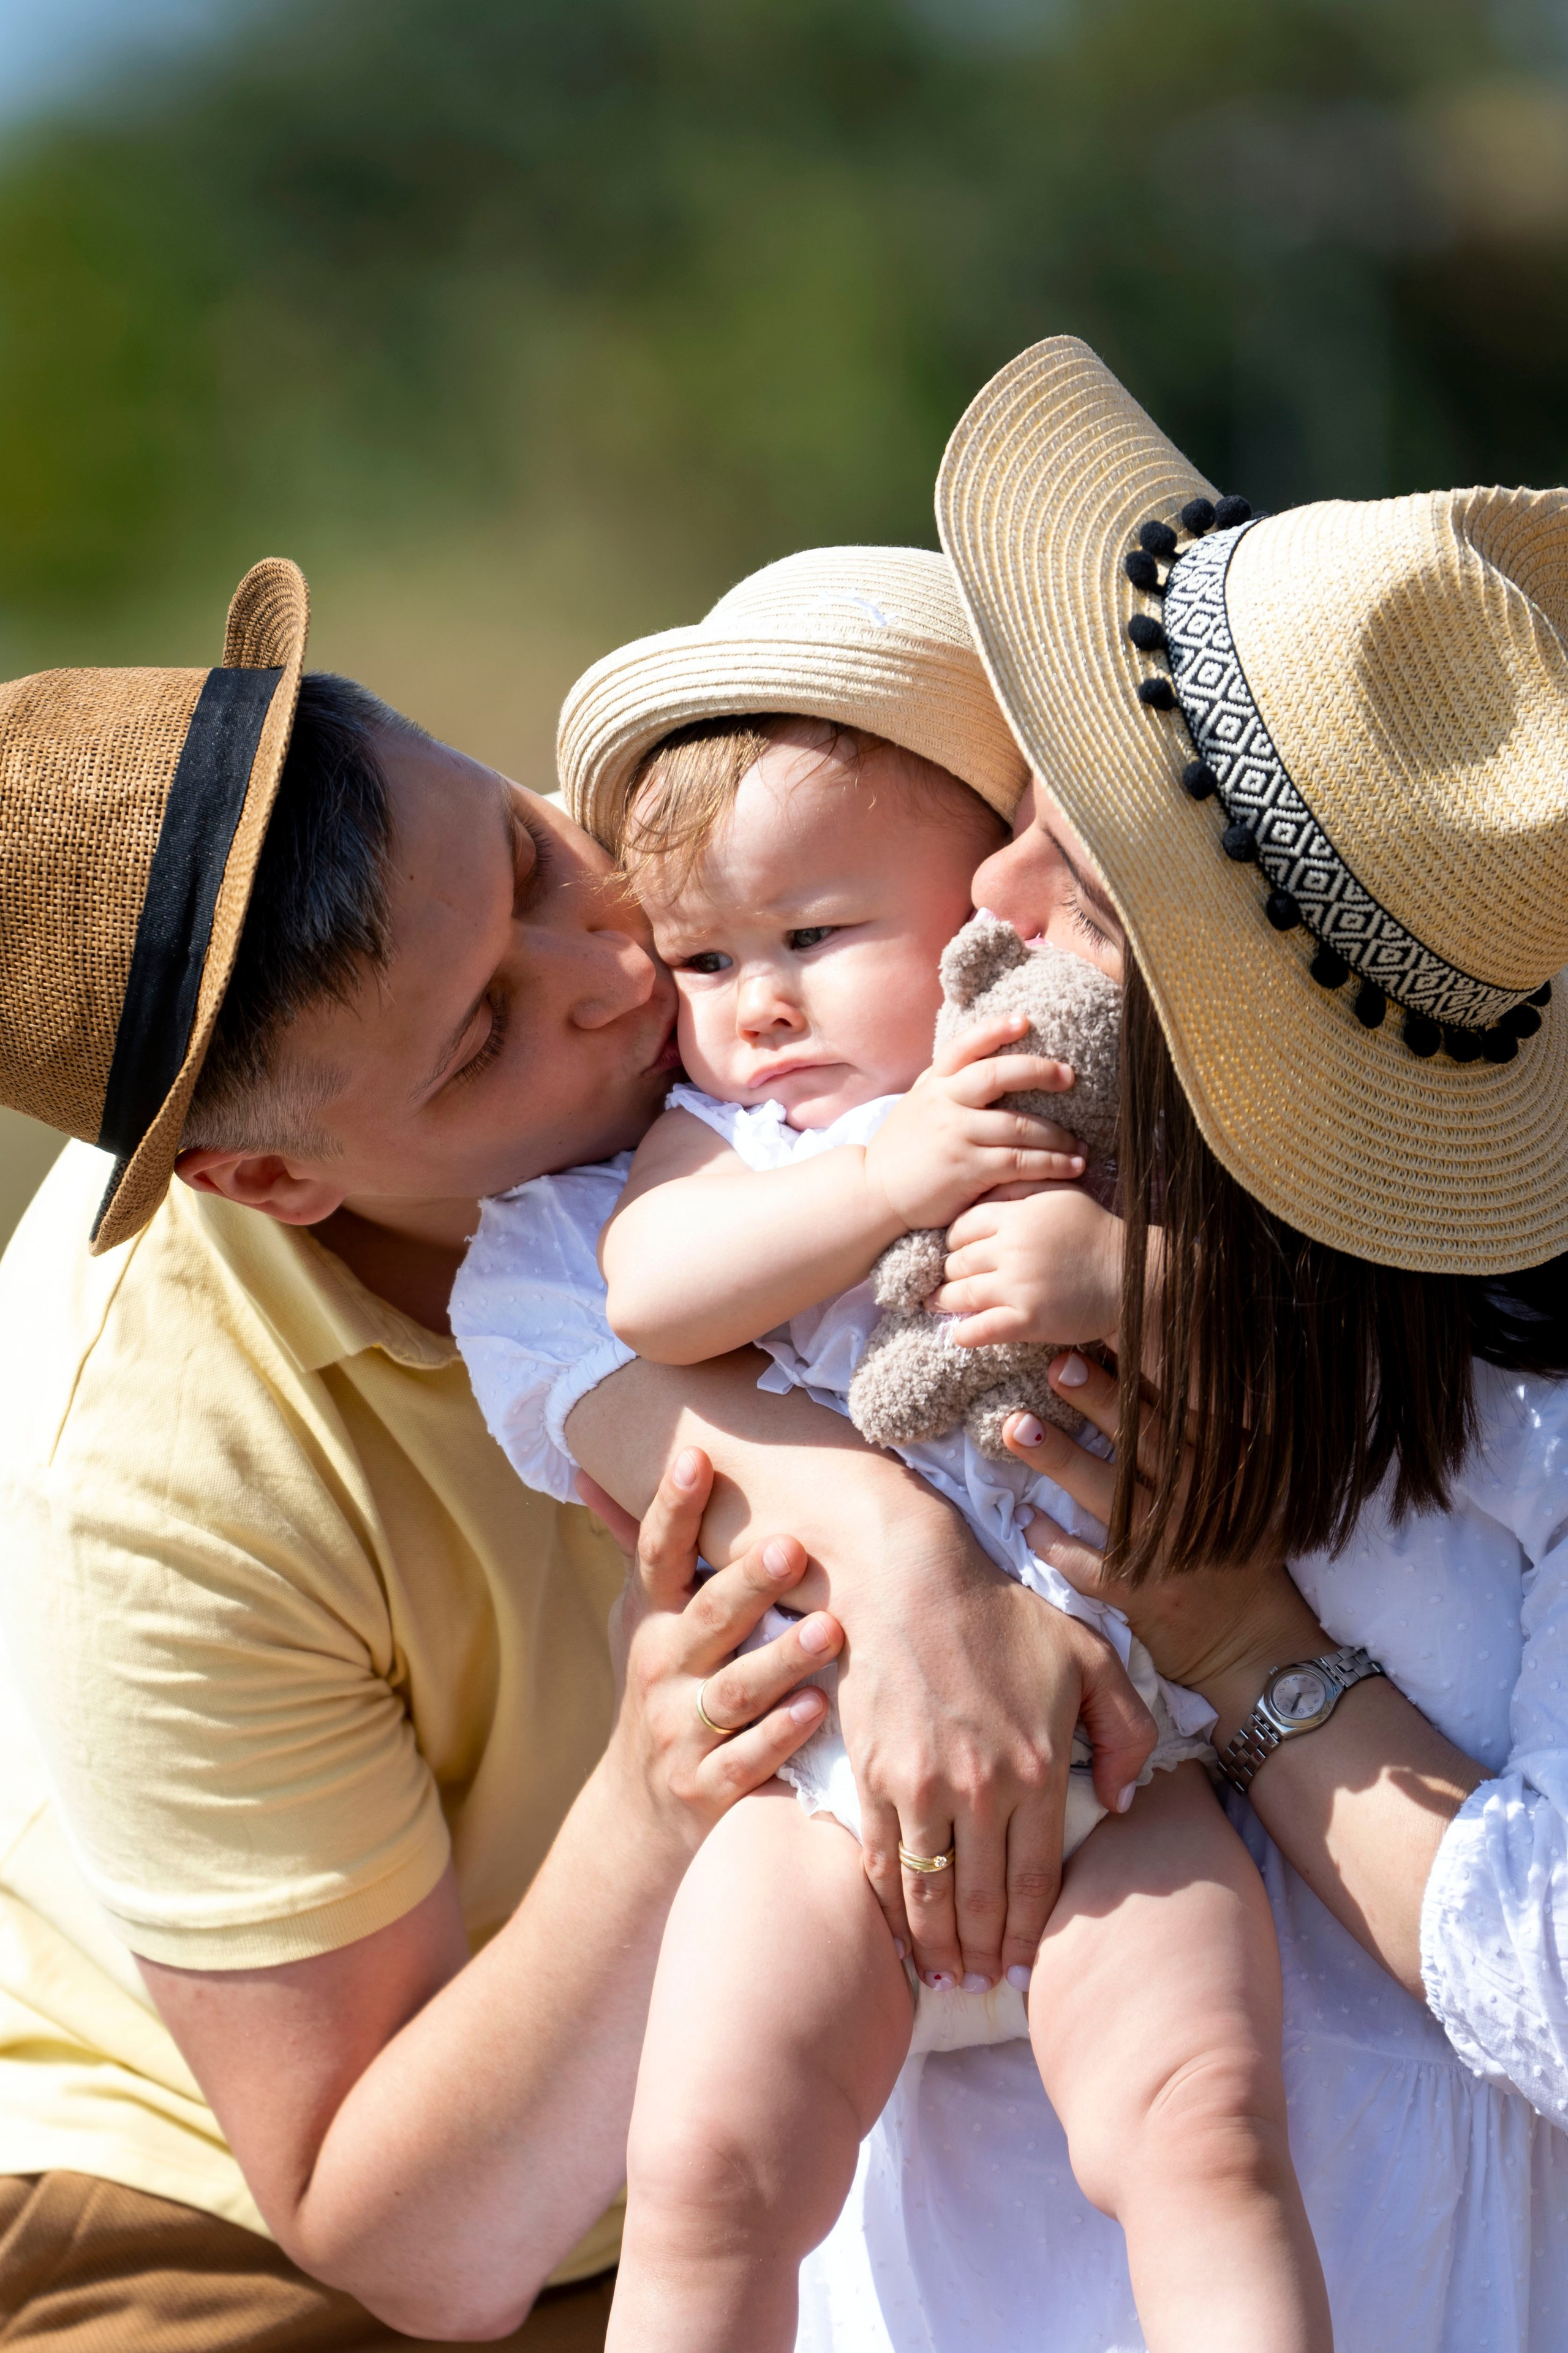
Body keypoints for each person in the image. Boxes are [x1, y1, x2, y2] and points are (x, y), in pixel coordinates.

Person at [0, 554, 1154, 2348]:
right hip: (268, 2230)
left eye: (527, 855)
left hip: (841, 2068)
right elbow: (410, 2239)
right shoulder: (155, 1473)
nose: (620, 966)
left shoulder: (724, 875)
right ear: (269, 1178)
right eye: (483, 1035)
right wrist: (656, 1787)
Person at [775, 336, 1568, 2351]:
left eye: (1092, 892)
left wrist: (1243, 1648)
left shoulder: (1525, 1406)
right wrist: (890, 1553)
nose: (988, 890)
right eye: (1029, 804)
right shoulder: (917, 1154)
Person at [582, 698, 1325, 2346]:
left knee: (1207, 2132)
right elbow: (647, 1293)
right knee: (706, 2173)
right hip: (827, 1787)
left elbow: (1289, 1352)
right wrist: (882, 1182)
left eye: (815, 934)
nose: (762, 1002)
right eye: (704, 960)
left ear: (977, 907)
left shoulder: (1086, 1083)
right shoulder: (730, 1142)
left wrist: (1118, 1275)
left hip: (1128, 1752)